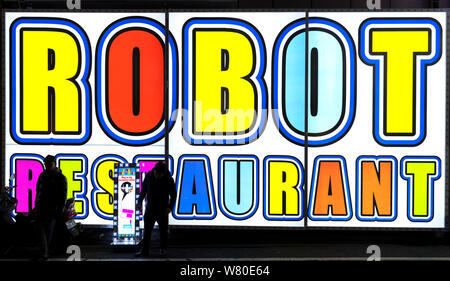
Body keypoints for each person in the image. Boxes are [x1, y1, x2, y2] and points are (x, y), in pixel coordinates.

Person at [136, 161, 176, 257]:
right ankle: (145, 251)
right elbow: (144, 189)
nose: (157, 176)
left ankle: (163, 250)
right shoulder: (149, 176)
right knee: (147, 231)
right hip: (150, 208)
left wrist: (170, 207)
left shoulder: (169, 179)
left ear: (163, 173)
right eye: (156, 173)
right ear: (154, 170)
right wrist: (139, 202)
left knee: (163, 231)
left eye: (159, 175)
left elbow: (173, 194)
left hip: (163, 209)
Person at [33, 155, 67, 260]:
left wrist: (60, 209)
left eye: (49, 164)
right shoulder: (43, 175)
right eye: (46, 164)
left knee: (47, 231)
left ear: (54, 164)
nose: (47, 166)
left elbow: (63, 195)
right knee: (42, 230)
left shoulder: (60, 177)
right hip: (42, 206)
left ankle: (45, 252)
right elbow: (38, 190)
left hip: (52, 208)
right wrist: (36, 203)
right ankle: (45, 252)